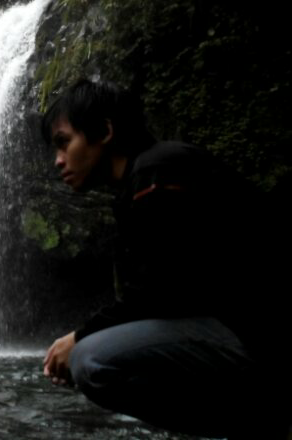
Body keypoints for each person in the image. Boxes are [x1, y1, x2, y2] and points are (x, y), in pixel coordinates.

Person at [39, 79, 288, 438]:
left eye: (64, 143)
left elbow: (166, 289)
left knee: (90, 360)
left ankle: (264, 423)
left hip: (259, 336)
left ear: (105, 131)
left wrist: (80, 336)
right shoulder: (147, 176)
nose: (58, 161)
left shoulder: (157, 172)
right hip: (244, 331)